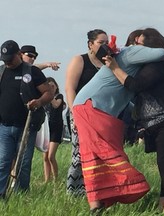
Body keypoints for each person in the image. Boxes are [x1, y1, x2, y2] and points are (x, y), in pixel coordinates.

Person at [72, 29, 164, 214]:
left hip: (95, 108)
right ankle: (123, 189)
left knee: (95, 155)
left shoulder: (125, 57)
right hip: (92, 107)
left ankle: (99, 203)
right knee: (103, 153)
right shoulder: (131, 51)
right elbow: (162, 52)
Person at [105, 28, 164, 213]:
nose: (137, 48)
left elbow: (136, 85)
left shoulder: (162, 65)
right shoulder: (154, 65)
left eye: (140, 44)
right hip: (157, 122)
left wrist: (114, 67)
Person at [0, 40, 53, 198]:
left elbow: (49, 93)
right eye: (5, 59)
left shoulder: (32, 72)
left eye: (10, 58)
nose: (8, 62)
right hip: (4, 126)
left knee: (23, 163)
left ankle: (21, 195)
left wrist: (39, 102)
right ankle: (1, 194)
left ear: (19, 54)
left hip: (27, 126)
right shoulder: (1, 72)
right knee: (3, 162)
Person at [65, 29, 108, 196]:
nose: (105, 46)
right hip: (81, 113)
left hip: (101, 115)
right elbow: (70, 88)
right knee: (79, 155)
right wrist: (75, 114)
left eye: (107, 42)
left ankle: (96, 191)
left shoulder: (108, 63)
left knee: (99, 156)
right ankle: (74, 192)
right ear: (91, 44)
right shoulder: (80, 60)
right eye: (101, 43)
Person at [43, 77, 64, 182]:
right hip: (47, 128)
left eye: (53, 85)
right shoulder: (45, 98)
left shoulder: (59, 96)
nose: (51, 87)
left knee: (51, 156)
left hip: (56, 128)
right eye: (49, 86)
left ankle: (56, 179)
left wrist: (50, 94)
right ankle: (47, 180)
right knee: (45, 157)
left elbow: (56, 105)